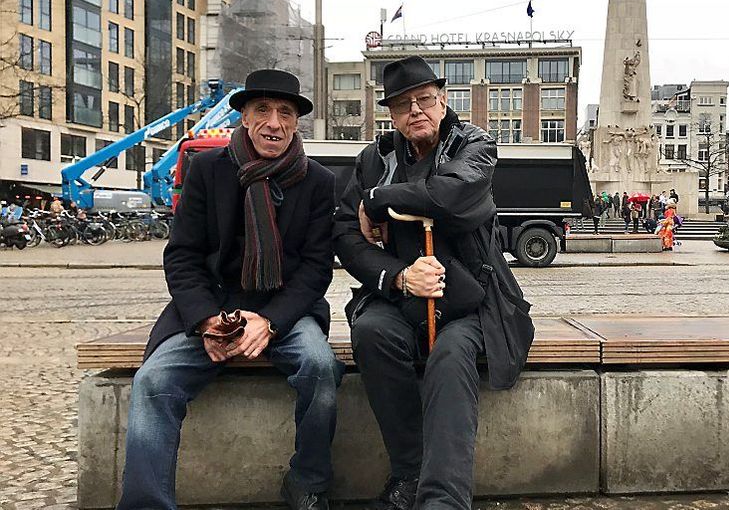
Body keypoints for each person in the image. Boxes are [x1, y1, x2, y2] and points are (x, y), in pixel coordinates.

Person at [116, 69, 340, 510]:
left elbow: (316, 269)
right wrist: (204, 319)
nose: (273, 122)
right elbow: (182, 255)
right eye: (262, 110)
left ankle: (308, 482)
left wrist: (271, 322)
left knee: (321, 368)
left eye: (285, 113)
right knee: (153, 382)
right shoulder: (207, 169)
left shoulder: (318, 181)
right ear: (243, 116)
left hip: (284, 314)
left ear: (297, 123)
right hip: (213, 308)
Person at [333, 56, 534, 510]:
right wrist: (400, 276)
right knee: (371, 333)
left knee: (450, 354)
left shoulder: (474, 145)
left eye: (424, 99)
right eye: (403, 105)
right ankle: (409, 473)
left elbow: (454, 194)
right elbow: (347, 235)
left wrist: (376, 200)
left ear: (442, 100)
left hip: (472, 300)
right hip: (399, 296)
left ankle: (442, 500)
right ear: (391, 114)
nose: (416, 111)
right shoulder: (374, 157)